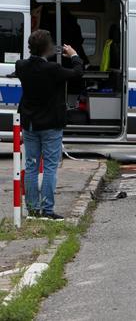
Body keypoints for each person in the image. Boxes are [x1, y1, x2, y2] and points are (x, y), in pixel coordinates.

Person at [15, 30, 84, 220]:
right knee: (50, 167)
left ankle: (32, 209)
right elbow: (78, 73)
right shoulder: (52, 69)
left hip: (30, 123)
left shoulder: (21, 65)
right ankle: (47, 210)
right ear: (47, 48)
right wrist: (74, 55)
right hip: (51, 124)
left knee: (31, 166)